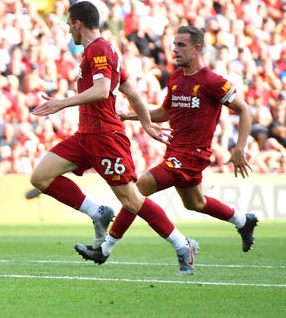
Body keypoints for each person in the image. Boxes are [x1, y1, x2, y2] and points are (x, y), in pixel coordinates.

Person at [30, 1, 198, 275]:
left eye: (69, 25)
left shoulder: (98, 49)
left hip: (105, 136)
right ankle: (97, 212)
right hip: (85, 135)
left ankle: (183, 245)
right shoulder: (104, 51)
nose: (68, 30)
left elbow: (102, 90)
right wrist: (146, 123)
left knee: (132, 201)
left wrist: (63, 102)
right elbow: (131, 91)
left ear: (78, 24)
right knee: (40, 177)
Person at [76, 26, 258, 264]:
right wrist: (130, 115)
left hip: (192, 156)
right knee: (196, 203)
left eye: (181, 45)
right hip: (175, 151)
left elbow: (244, 109)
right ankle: (244, 221)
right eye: (174, 45)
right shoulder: (175, 78)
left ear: (197, 49)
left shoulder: (212, 81)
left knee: (138, 189)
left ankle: (105, 249)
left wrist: (239, 148)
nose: (175, 50)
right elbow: (164, 112)